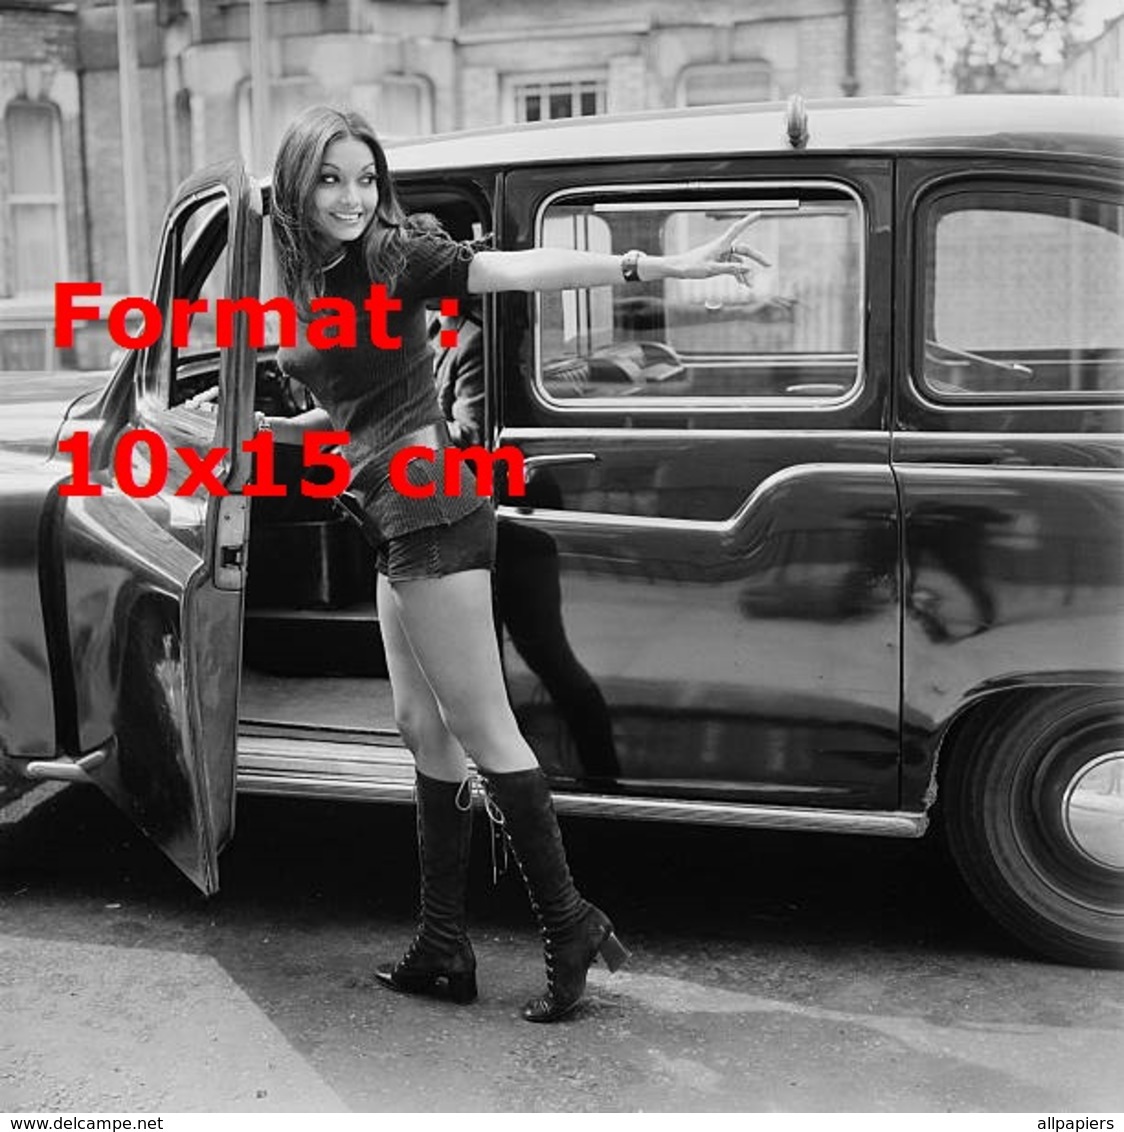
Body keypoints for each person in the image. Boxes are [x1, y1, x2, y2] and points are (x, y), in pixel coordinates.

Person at [264, 105, 767, 1023]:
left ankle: (569, 924)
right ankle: (443, 946)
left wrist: (653, 265)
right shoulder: (316, 276)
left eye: (365, 176)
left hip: (430, 504)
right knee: (425, 731)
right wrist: (270, 427)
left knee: (487, 733)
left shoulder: (392, 254)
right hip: (387, 507)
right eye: (332, 178)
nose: (352, 196)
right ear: (297, 183)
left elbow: (515, 268)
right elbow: (358, 406)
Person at [431, 292, 622, 781]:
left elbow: (471, 431)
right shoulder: (442, 332)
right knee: (489, 659)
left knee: (544, 652)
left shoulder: (474, 339)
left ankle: (600, 769)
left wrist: (402, 429)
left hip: (510, 513)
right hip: (474, 515)